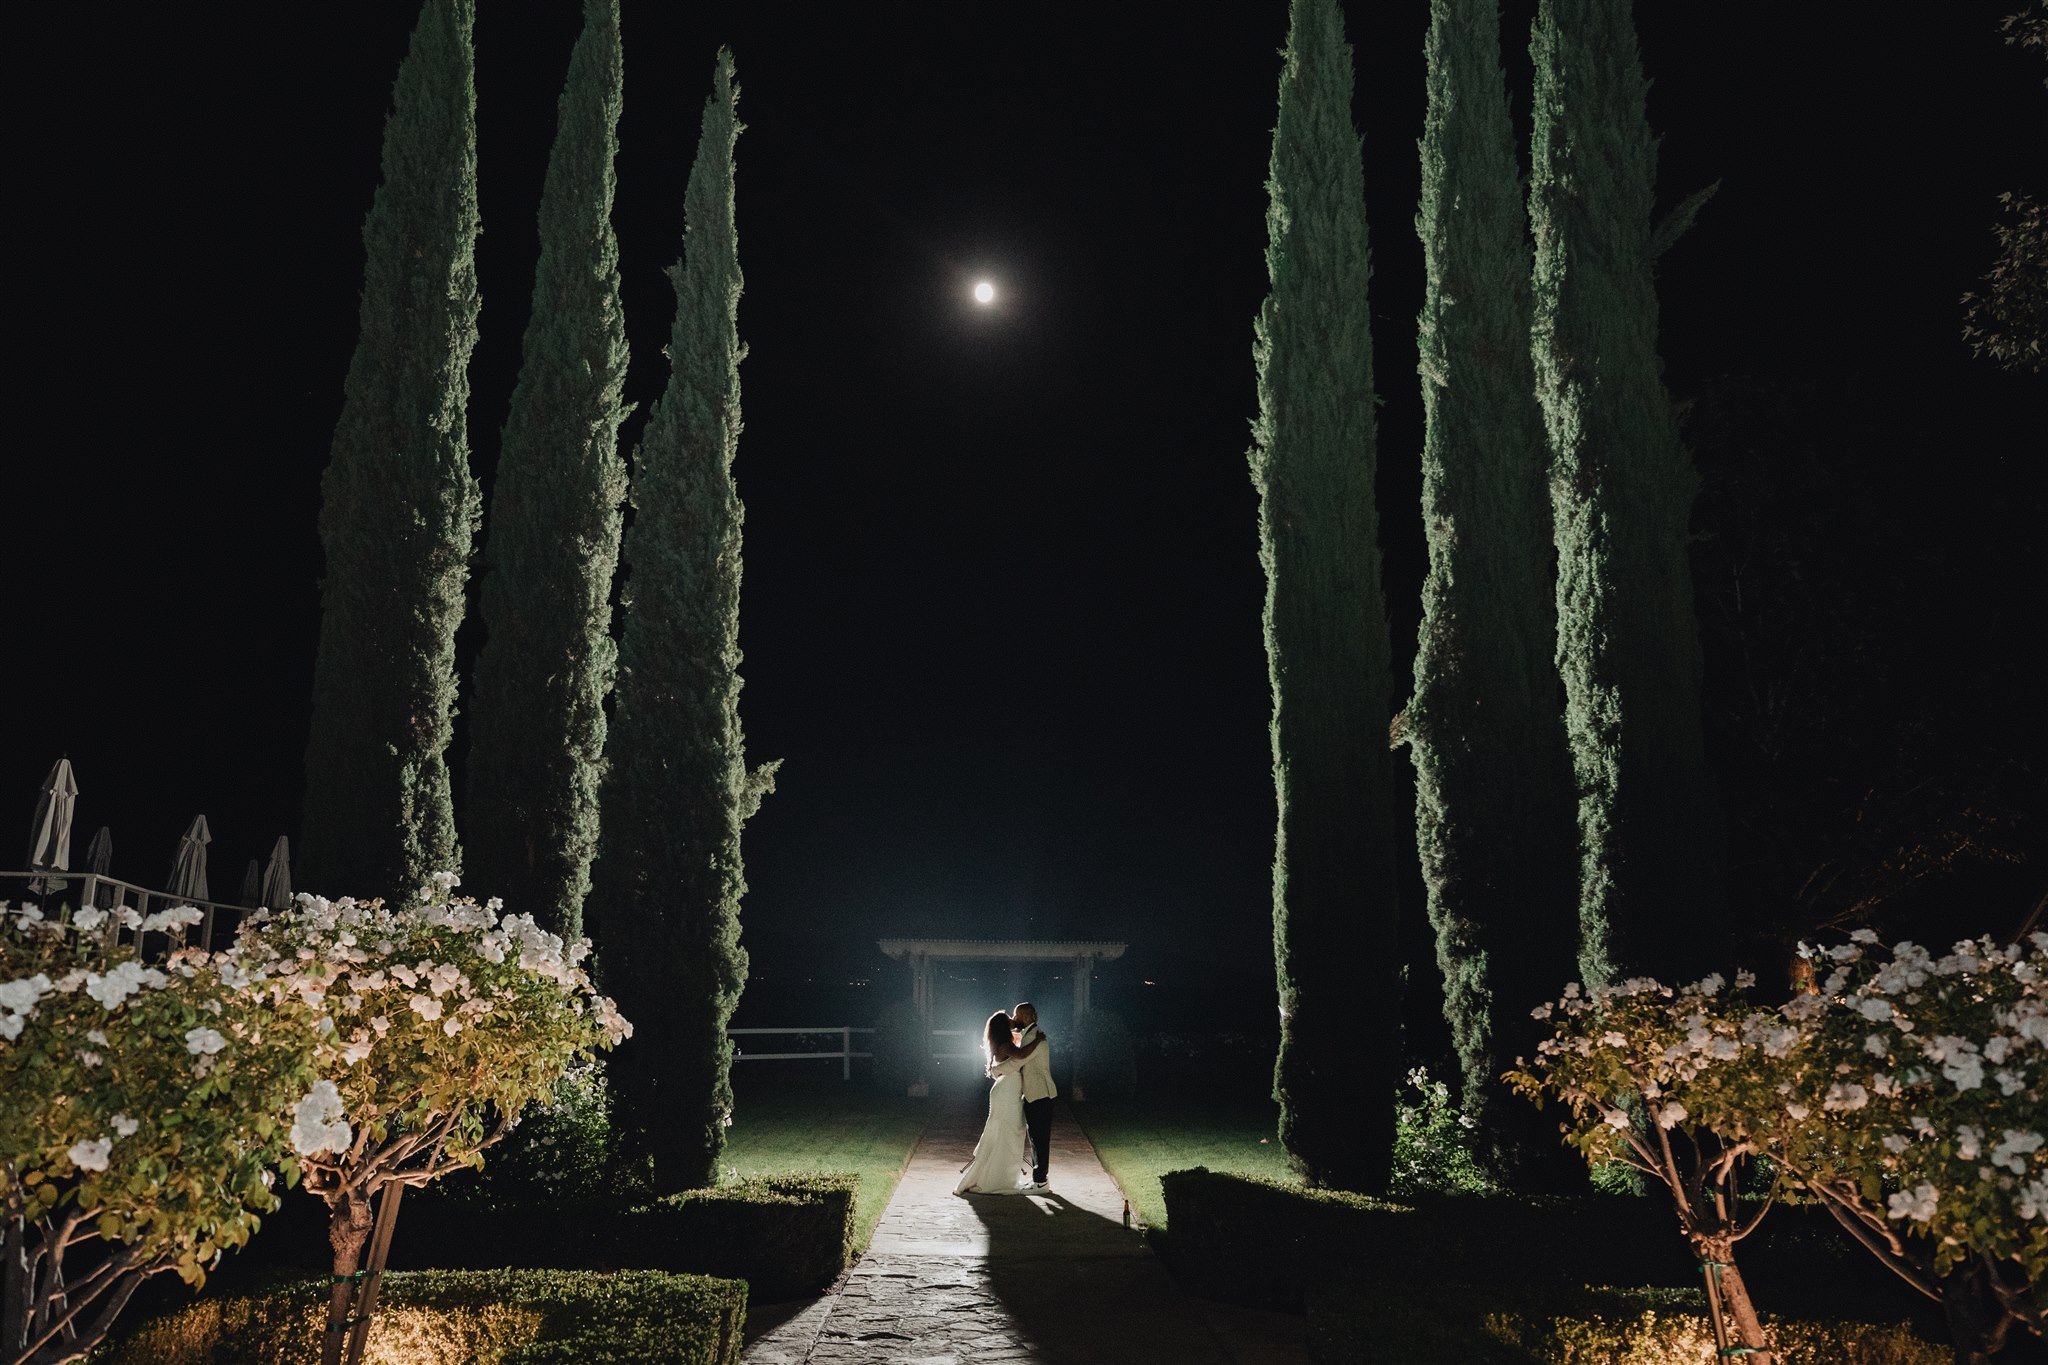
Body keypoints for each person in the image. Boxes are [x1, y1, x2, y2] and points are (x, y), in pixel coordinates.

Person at [954, 1011, 1045, 1196]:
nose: (1013, 1020)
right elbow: (1021, 1054)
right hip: (1006, 1094)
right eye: (1009, 1019)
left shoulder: (1003, 1043)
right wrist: (1038, 1041)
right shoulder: (1005, 1046)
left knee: (1009, 1132)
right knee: (1006, 1133)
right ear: (1004, 1026)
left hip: (1007, 1091)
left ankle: (1001, 1175)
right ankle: (997, 1179)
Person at [1011, 1001, 1057, 1189]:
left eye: (1017, 1015)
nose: (1015, 1018)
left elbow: (1020, 1057)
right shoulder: (1028, 1034)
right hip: (1033, 1095)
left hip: (1041, 1094)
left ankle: (1041, 1181)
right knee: (1035, 1138)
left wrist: (997, 1069)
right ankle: (1038, 1176)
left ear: (1027, 1017)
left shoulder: (1035, 1037)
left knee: (1040, 1138)